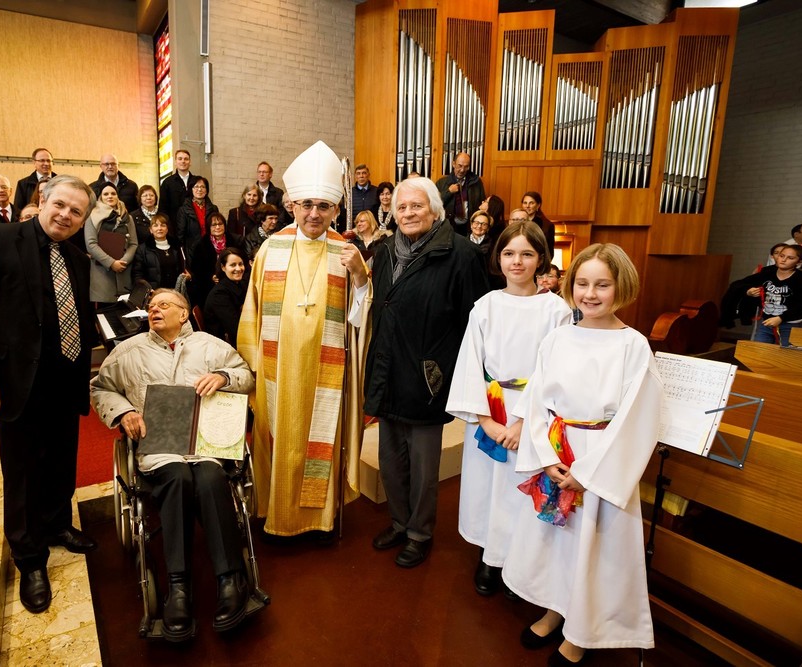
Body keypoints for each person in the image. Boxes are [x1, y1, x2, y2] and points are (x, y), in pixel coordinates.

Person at [503, 243, 664, 666]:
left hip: (600, 457)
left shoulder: (633, 346)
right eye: (582, 283)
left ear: (621, 287)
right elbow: (536, 401)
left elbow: (637, 420)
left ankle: (582, 633)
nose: (590, 294)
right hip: (558, 450)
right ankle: (556, 610)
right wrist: (544, 454)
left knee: (594, 548)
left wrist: (588, 474)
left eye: (602, 285)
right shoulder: (558, 337)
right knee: (559, 543)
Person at [0, 175, 98, 615]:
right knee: (22, 473)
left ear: (83, 221)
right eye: (60, 205)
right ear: (43, 199)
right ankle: (30, 557)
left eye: (76, 212)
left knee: (60, 461)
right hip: (17, 382)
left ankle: (57, 526)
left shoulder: (78, 258)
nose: (66, 216)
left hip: (64, 379)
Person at [90, 288, 255, 640]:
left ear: (183, 314)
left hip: (205, 442)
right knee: (177, 477)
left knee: (210, 477)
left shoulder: (211, 346)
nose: (154, 309)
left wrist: (224, 377)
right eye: (151, 306)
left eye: (163, 304)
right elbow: (100, 388)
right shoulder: (128, 352)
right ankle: (178, 586)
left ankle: (231, 579)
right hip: (161, 447)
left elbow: (246, 375)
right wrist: (124, 412)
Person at [237, 140, 370, 537]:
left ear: (336, 210)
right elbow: (252, 310)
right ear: (292, 205)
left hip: (325, 372)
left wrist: (361, 278)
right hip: (278, 370)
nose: (314, 213)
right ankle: (278, 515)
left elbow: (361, 319)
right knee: (281, 438)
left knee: (320, 438)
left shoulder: (346, 252)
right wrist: (252, 367)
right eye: (307, 204)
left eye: (324, 206)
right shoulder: (270, 248)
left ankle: (319, 518)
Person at [360, 176, 489, 568]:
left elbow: (474, 322)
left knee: (423, 467)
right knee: (391, 461)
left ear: (435, 210)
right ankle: (399, 523)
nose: (408, 213)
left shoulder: (461, 254)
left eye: (416, 206)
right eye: (401, 207)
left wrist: (455, 373)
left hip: (428, 376)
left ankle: (419, 533)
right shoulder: (384, 251)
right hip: (388, 369)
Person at [447, 222, 572, 597]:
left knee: (520, 487)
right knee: (487, 485)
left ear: (541, 259)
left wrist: (521, 423)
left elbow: (554, 371)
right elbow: (471, 363)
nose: (517, 261)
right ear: (497, 258)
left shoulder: (556, 310)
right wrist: (485, 420)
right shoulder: (485, 306)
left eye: (527, 254)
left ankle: (520, 562)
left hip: (532, 414)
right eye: (509, 253)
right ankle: (490, 555)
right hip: (490, 406)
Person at [740, 244, 802, 346]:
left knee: (786, 352)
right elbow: (743, 283)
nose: (783, 260)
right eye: (782, 256)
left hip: (789, 324)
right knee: (760, 349)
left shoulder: (801, 279)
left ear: (799, 261)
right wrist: (748, 291)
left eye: (790, 258)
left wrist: (781, 317)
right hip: (766, 321)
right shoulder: (767, 272)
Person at [85, 183, 138, 307]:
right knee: (105, 312)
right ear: (100, 197)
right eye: (106, 194)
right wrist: (111, 263)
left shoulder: (127, 217)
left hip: (124, 270)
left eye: (113, 193)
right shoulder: (92, 216)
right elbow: (91, 244)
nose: (110, 196)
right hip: (102, 272)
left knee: (125, 311)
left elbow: (133, 243)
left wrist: (123, 262)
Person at [188, 212, 244, 309]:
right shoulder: (200, 245)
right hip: (208, 288)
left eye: (220, 224)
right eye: (214, 225)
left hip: (234, 284)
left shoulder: (236, 241)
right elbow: (196, 270)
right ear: (208, 227)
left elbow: (243, 262)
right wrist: (211, 277)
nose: (217, 227)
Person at [204, 248, 248, 346]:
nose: (238, 269)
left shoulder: (240, 284)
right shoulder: (219, 294)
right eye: (233, 265)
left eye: (240, 264)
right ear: (223, 267)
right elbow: (235, 328)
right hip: (222, 345)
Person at [436, 152, 485, 235]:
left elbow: (482, 204)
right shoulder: (441, 183)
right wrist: (449, 192)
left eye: (466, 167)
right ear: (453, 164)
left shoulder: (476, 182)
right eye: (460, 166)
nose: (462, 170)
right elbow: (435, 205)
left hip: (470, 227)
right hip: (448, 227)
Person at [132, 214, 186, 290]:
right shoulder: (142, 249)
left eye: (163, 225)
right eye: (155, 226)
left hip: (175, 292)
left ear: (167, 229)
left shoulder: (177, 247)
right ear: (151, 230)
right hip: (154, 292)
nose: (159, 228)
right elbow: (137, 275)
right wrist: (147, 290)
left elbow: (183, 269)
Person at [176, 176, 220, 261]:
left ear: (206, 190)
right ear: (191, 189)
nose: (199, 189)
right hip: (192, 251)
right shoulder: (183, 210)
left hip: (211, 248)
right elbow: (180, 235)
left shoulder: (213, 208)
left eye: (203, 187)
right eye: (196, 187)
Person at [159, 149, 194, 225]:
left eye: (186, 159)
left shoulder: (196, 181)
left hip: (194, 224)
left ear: (190, 162)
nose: (183, 161)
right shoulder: (167, 182)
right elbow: (163, 208)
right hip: (174, 225)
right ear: (175, 162)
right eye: (180, 159)